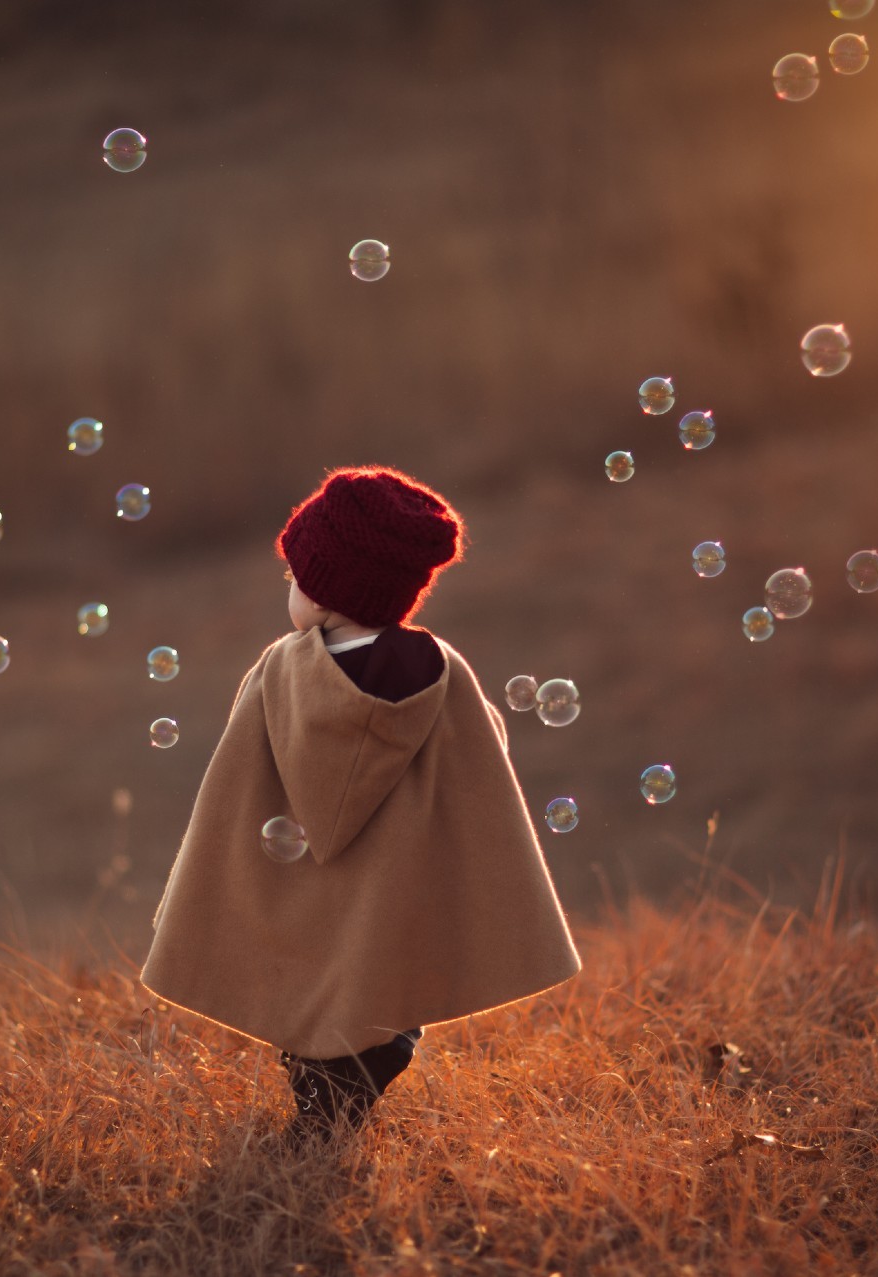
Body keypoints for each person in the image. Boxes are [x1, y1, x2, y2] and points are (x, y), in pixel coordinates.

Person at [139, 465, 582, 1146]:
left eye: (293, 576)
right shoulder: (440, 667)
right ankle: (365, 1066)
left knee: (310, 972)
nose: (288, 587)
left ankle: (317, 1079)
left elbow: (240, 770)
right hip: (395, 885)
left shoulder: (279, 670)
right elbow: (483, 744)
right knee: (388, 983)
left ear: (322, 592)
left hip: (303, 877)